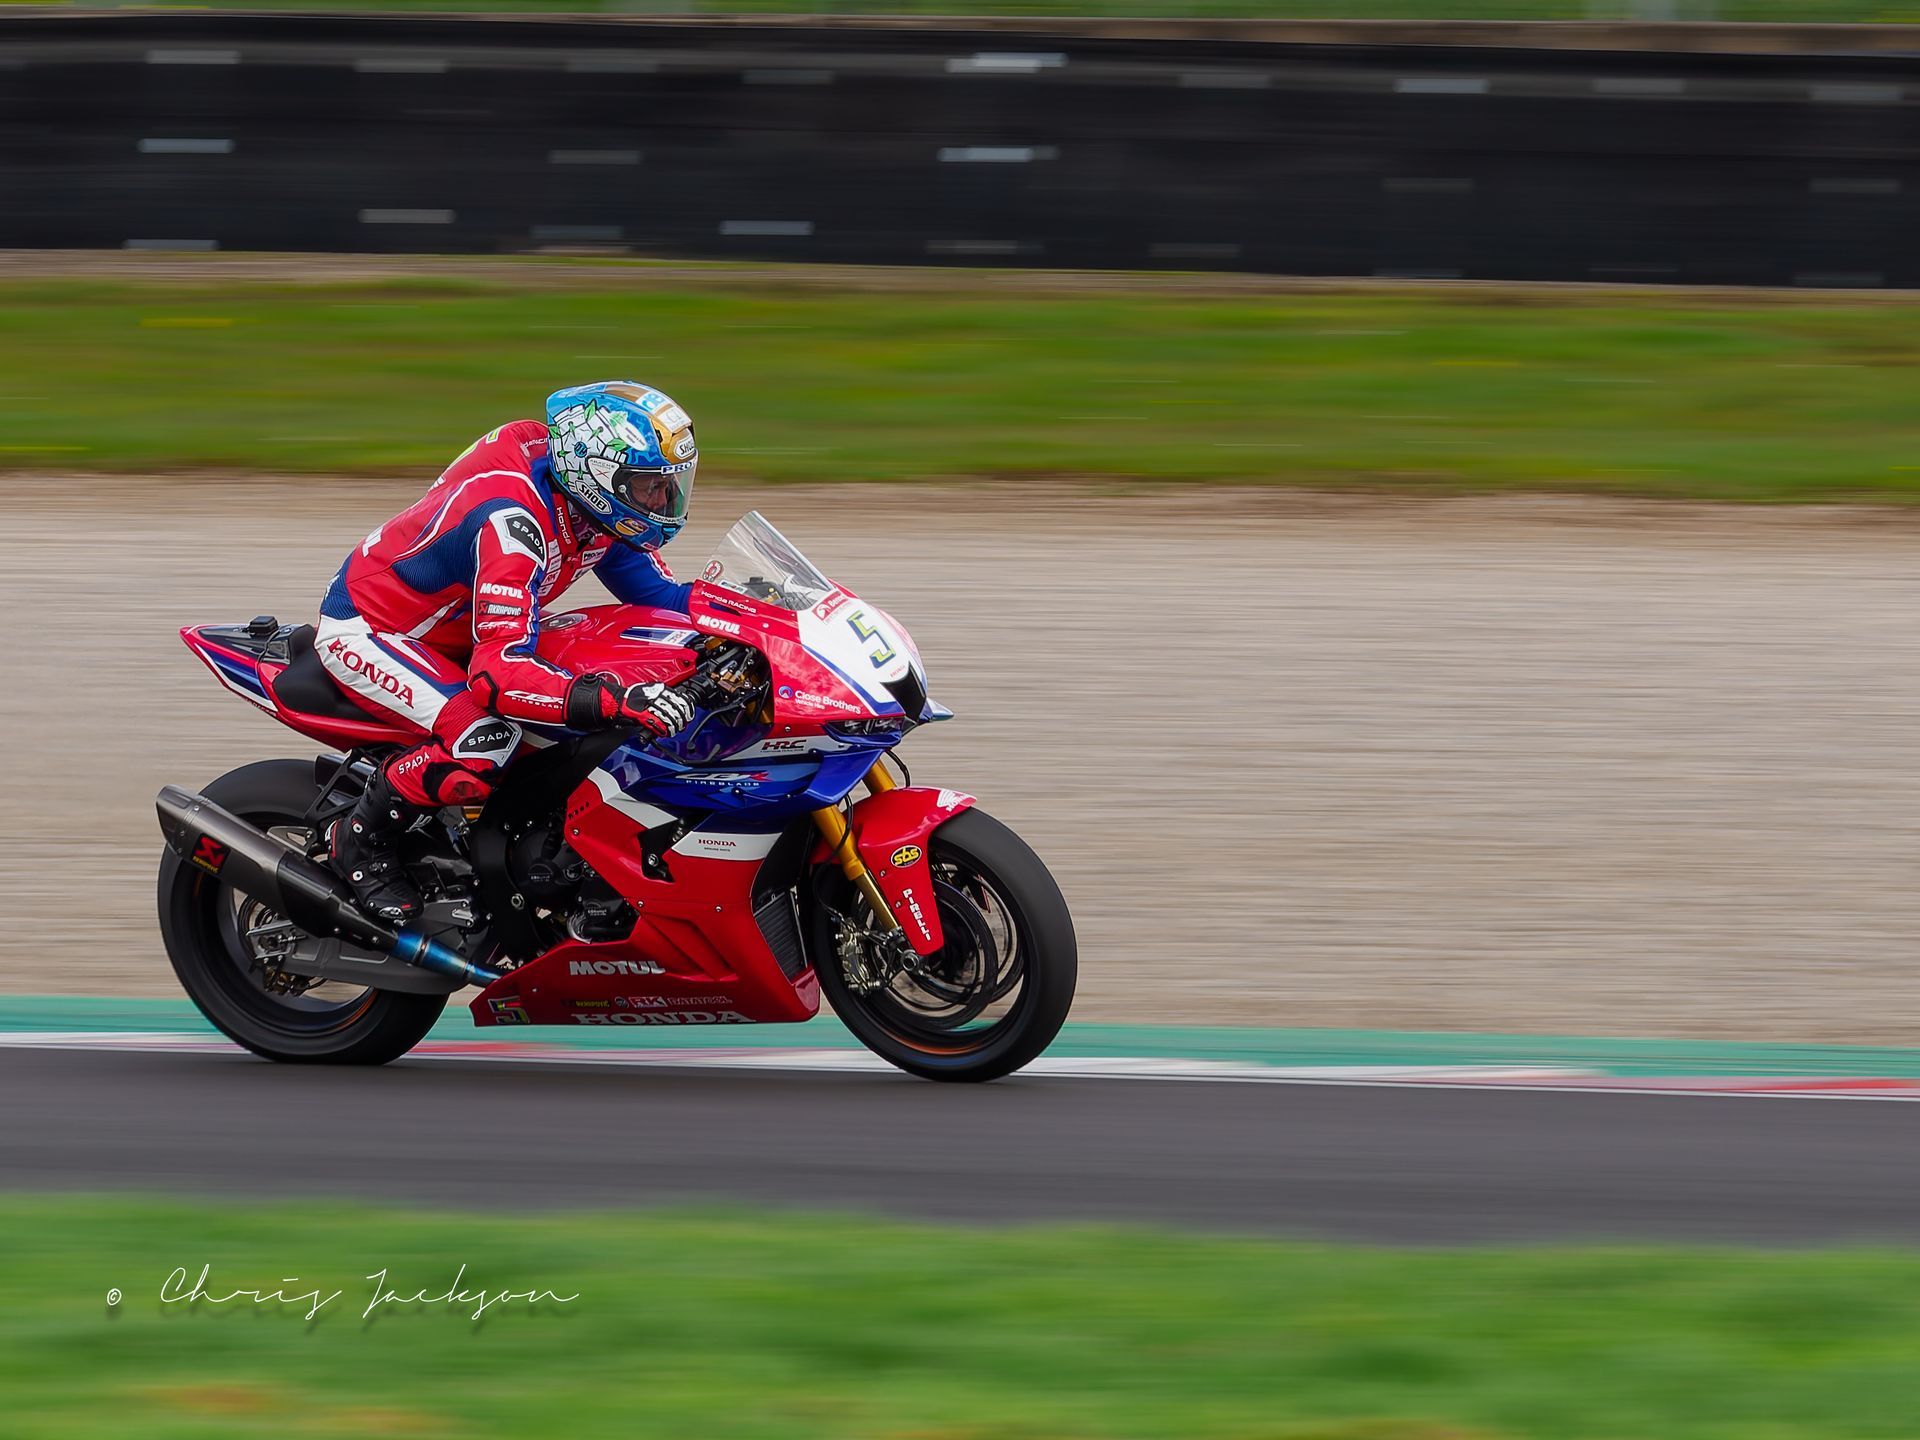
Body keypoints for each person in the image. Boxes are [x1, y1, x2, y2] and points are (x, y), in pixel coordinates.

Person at [314, 380, 703, 924]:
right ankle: (358, 842)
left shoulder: (585, 501)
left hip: (461, 633)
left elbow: (665, 597)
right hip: (377, 631)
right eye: (647, 487)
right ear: (597, 477)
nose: (662, 502)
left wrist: (773, 616)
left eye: (667, 486)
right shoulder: (512, 524)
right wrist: (613, 700)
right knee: (486, 738)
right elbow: (497, 676)